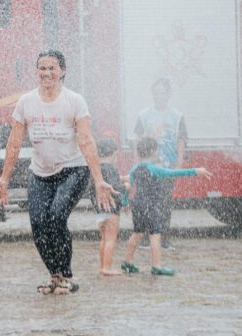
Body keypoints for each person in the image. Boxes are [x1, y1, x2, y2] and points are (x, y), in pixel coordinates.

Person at [0, 49, 118, 295]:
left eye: (52, 68)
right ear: (37, 71)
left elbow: (86, 140)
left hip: (73, 168)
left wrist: (99, 180)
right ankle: (55, 274)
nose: (47, 73)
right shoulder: (26, 102)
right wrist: (5, 178)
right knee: (38, 223)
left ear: (63, 71)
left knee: (57, 216)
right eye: (42, 68)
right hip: (40, 172)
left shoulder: (74, 101)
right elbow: (14, 142)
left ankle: (67, 276)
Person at [121, 137, 212, 276]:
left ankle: (127, 262)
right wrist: (195, 171)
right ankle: (156, 266)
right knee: (155, 235)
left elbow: (128, 186)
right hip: (151, 206)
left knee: (137, 233)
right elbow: (174, 173)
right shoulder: (155, 169)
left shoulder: (135, 168)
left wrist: (125, 202)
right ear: (152, 151)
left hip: (138, 204)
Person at [134, 78, 187, 249]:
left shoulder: (177, 117)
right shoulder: (143, 116)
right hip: (148, 168)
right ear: (153, 94)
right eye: (156, 92)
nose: (159, 95)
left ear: (168, 94)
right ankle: (146, 238)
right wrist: (138, 165)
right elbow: (138, 142)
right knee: (146, 204)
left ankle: (163, 239)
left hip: (167, 168)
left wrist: (178, 167)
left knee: (164, 204)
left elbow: (180, 143)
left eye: (163, 92)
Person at [90, 139, 128, 276]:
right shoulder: (110, 168)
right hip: (111, 210)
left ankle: (102, 266)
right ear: (114, 154)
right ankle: (107, 267)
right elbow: (115, 189)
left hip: (99, 210)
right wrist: (126, 188)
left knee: (104, 239)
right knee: (111, 239)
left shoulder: (96, 170)